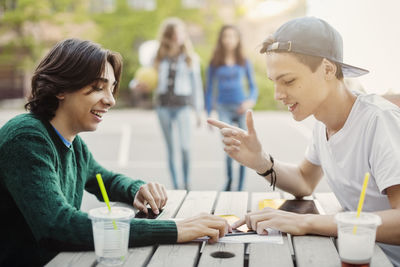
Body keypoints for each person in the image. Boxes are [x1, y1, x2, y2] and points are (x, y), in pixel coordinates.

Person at [0, 38, 229, 266]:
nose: (110, 100)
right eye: (98, 88)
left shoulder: (73, 143)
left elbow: (105, 179)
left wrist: (136, 189)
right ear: (61, 88)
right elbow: (59, 225)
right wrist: (175, 228)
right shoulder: (27, 137)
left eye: (112, 88)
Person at [208, 17, 400, 266]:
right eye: (274, 82)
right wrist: (260, 161)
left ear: (328, 70)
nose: (278, 95)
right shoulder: (322, 122)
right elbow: (304, 181)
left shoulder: (379, 121)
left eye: (288, 81)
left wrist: (305, 222)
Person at [152, 17, 204, 190]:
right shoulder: (158, 56)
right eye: (175, 33)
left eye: (181, 32)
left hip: (182, 107)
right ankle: (176, 186)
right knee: (171, 149)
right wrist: (136, 85)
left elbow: (196, 86)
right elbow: (146, 77)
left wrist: (198, 112)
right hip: (163, 108)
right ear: (168, 36)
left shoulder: (190, 57)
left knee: (185, 147)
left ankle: (186, 183)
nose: (178, 36)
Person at [205, 25, 258, 191]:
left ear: (238, 39)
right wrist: (208, 113)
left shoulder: (244, 60)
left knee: (243, 146)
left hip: (241, 107)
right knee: (229, 146)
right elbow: (209, 89)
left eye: (233, 36)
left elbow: (253, 87)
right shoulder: (214, 61)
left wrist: (250, 102)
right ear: (221, 39)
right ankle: (228, 183)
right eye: (226, 36)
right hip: (223, 108)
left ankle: (240, 186)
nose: (229, 40)